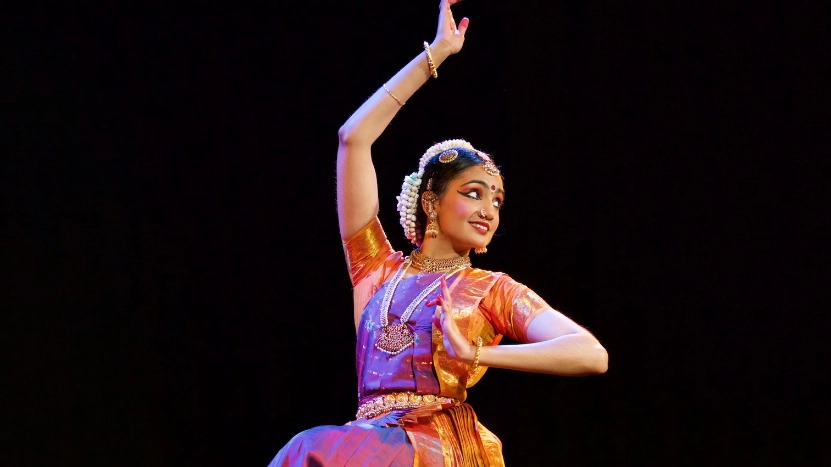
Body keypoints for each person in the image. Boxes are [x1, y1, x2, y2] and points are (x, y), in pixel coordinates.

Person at [269, 1, 607, 465]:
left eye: (497, 201)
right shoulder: (375, 269)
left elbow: (590, 354)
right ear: (431, 201)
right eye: (474, 193)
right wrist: (438, 54)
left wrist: (477, 355)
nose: (489, 209)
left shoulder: (491, 289)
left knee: (311, 450)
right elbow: (354, 138)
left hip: (434, 447)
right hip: (371, 442)